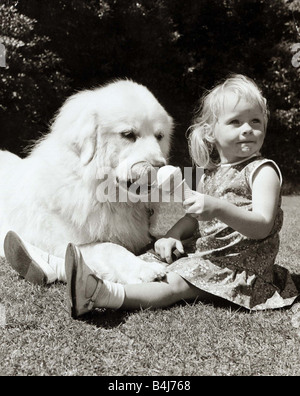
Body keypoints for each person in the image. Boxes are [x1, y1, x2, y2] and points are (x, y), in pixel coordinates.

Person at [5, 74, 299, 317]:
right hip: (214, 254)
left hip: (238, 268)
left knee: (173, 284)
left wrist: (217, 209)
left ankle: (104, 293)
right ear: (87, 140)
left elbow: (260, 223)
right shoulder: (213, 173)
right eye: (129, 135)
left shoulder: (263, 171)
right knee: (158, 258)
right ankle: (56, 266)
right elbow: (192, 219)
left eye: (158, 137)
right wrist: (172, 234)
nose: (157, 158)